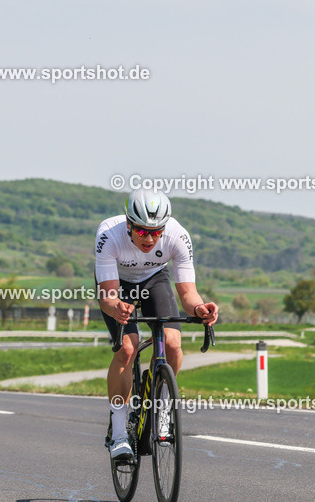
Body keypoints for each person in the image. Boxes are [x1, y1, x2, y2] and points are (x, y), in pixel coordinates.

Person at [96, 188, 218, 461]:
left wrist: (200, 309)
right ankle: (118, 433)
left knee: (173, 343)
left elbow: (187, 294)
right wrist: (117, 307)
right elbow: (107, 297)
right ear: (129, 224)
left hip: (154, 280)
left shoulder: (178, 235)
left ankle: (160, 406)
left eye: (156, 231)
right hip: (118, 286)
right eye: (142, 232)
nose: (150, 238)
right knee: (128, 348)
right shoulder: (108, 234)